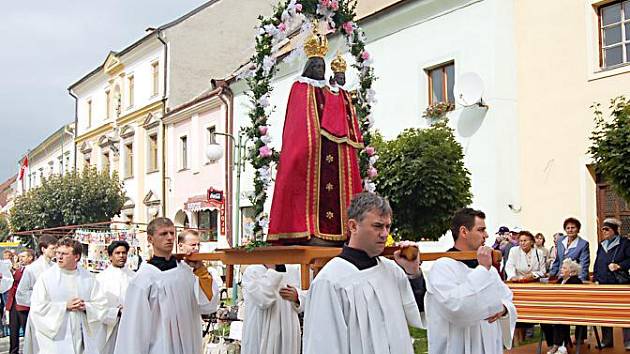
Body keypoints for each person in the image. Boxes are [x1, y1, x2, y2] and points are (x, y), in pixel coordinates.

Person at [268, 24, 363, 246]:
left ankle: (341, 232)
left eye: (323, 65)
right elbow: (298, 124)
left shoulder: (330, 91)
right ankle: (306, 229)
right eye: (317, 65)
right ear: (310, 66)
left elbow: (340, 116)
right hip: (312, 151)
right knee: (305, 191)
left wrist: (338, 86)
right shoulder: (301, 87)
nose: (321, 69)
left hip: (332, 151)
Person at [302, 192, 425, 354]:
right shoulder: (331, 281)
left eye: (387, 226)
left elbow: (417, 315)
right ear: (353, 226)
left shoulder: (392, 270)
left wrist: (413, 273)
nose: (384, 234)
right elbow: (323, 345)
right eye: (377, 226)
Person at [114, 217, 219, 354]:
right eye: (163, 234)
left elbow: (207, 305)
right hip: (160, 347)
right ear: (150, 239)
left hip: (189, 345)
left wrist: (201, 271)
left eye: (172, 233)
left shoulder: (186, 272)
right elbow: (134, 329)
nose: (169, 238)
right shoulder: (143, 279)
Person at [425, 208, 516, 354]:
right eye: (481, 230)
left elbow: (507, 298)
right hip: (457, 346)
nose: (486, 235)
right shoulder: (443, 267)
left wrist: (503, 309)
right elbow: (456, 307)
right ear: (464, 232)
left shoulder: (488, 269)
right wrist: (482, 271)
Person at [24, 237, 107, 354]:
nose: (59, 257)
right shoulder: (46, 278)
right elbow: (37, 307)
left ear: (76, 257)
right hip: (56, 338)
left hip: (81, 334)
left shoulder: (88, 278)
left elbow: (101, 304)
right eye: (58, 253)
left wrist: (86, 307)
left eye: (64, 254)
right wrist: (64, 306)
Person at [241, 263, 304, 354]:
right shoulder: (252, 271)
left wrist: (297, 297)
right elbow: (263, 299)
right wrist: (273, 271)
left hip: (287, 329)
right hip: (263, 329)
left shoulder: (292, 270)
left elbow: (305, 296)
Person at [593, 218, 630, 349]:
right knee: (604, 312)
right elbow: (597, 262)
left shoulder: (625, 243)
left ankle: (628, 342)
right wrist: (596, 278)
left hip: (619, 283)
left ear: (614, 230)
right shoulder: (601, 244)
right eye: (603, 229)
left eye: (607, 229)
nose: (604, 231)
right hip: (603, 283)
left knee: (624, 312)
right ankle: (607, 341)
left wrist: (619, 266)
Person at [505, 231, 546, 345]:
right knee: (518, 313)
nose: (522, 243)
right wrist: (512, 277)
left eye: (525, 240)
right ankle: (516, 341)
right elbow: (509, 266)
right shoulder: (514, 251)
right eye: (521, 241)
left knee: (533, 313)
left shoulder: (539, 252)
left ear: (531, 241)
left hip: (533, 286)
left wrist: (533, 275)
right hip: (518, 285)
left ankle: (528, 335)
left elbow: (543, 271)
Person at [94, 241, 136, 354]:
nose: (121, 256)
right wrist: (116, 312)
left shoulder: (134, 277)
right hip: (108, 326)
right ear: (110, 256)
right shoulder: (100, 278)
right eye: (117, 253)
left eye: (124, 253)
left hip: (130, 324)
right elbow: (96, 305)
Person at [546, 259, 584, 354]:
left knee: (560, 317)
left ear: (572, 271)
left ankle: (558, 345)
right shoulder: (560, 280)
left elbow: (575, 299)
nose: (561, 270)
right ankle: (552, 344)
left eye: (564, 268)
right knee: (544, 320)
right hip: (559, 308)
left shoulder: (576, 281)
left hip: (573, 310)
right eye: (561, 267)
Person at [16, 235, 58, 308]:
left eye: (56, 248)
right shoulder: (31, 269)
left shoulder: (55, 266)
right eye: (52, 248)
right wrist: (42, 297)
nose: (55, 251)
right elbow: (21, 294)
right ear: (43, 249)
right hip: (39, 310)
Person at [177, 230, 223, 294]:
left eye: (198, 245)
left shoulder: (207, 270)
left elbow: (212, 297)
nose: (196, 248)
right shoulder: (173, 269)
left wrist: (201, 271)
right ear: (181, 246)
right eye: (193, 245)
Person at [6, 250, 34, 354]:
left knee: (27, 332)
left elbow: (19, 279)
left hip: (25, 305)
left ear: (30, 258)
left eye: (23, 256)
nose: (20, 259)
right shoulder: (19, 268)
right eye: (20, 256)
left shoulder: (31, 270)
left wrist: (15, 270)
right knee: (13, 332)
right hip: (14, 303)